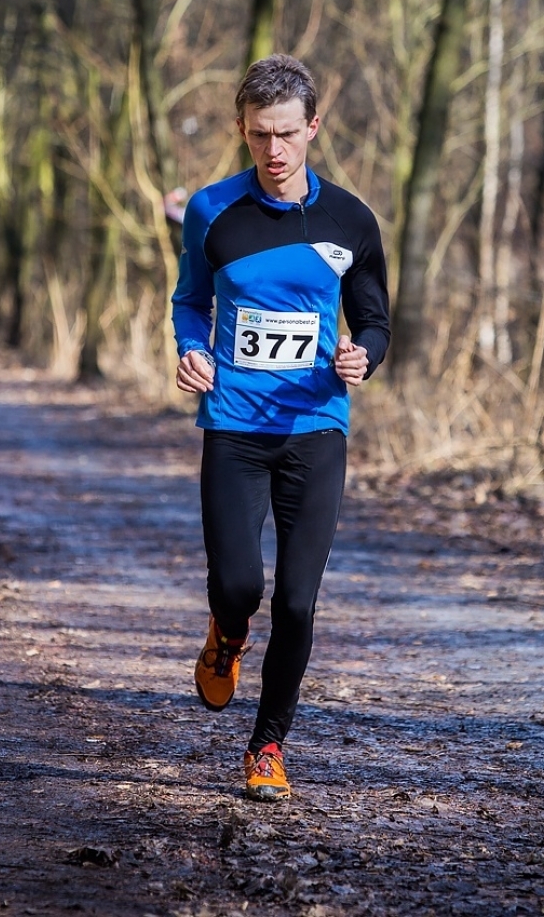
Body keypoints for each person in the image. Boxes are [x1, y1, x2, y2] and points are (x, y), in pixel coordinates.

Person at [171, 55, 391, 802]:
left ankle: (267, 746)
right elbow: (187, 301)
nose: (274, 152)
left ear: (313, 129)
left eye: (288, 134)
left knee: (298, 600)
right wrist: (193, 350)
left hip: (315, 427)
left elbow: (375, 319)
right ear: (242, 129)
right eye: (260, 135)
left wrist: (365, 356)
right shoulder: (211, 211)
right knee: (239, 585)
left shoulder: (350, 220)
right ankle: (225, 633)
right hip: (233, 425)